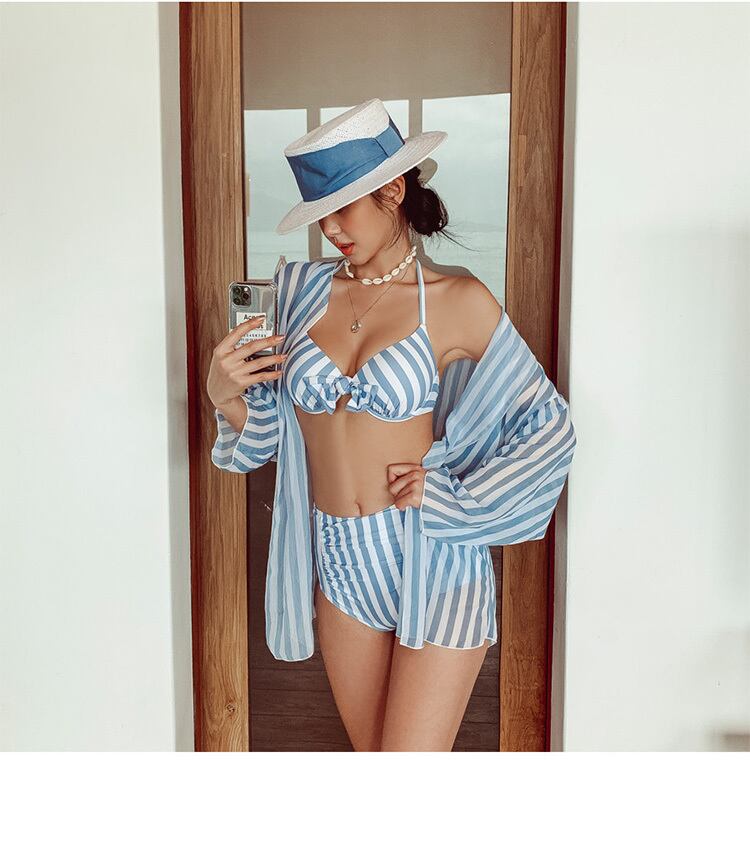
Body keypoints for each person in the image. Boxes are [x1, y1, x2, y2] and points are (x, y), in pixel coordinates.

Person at [207, 98, 577, 751]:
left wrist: (457, 495)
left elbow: (546, 423)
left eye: (342, 208)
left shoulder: (458, 301)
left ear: (393, 190)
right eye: (320, 215)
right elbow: (270, 434)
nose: (331, 230)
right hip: (337, 556)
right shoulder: (298, 294)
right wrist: (225, 393)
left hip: (431, 554)